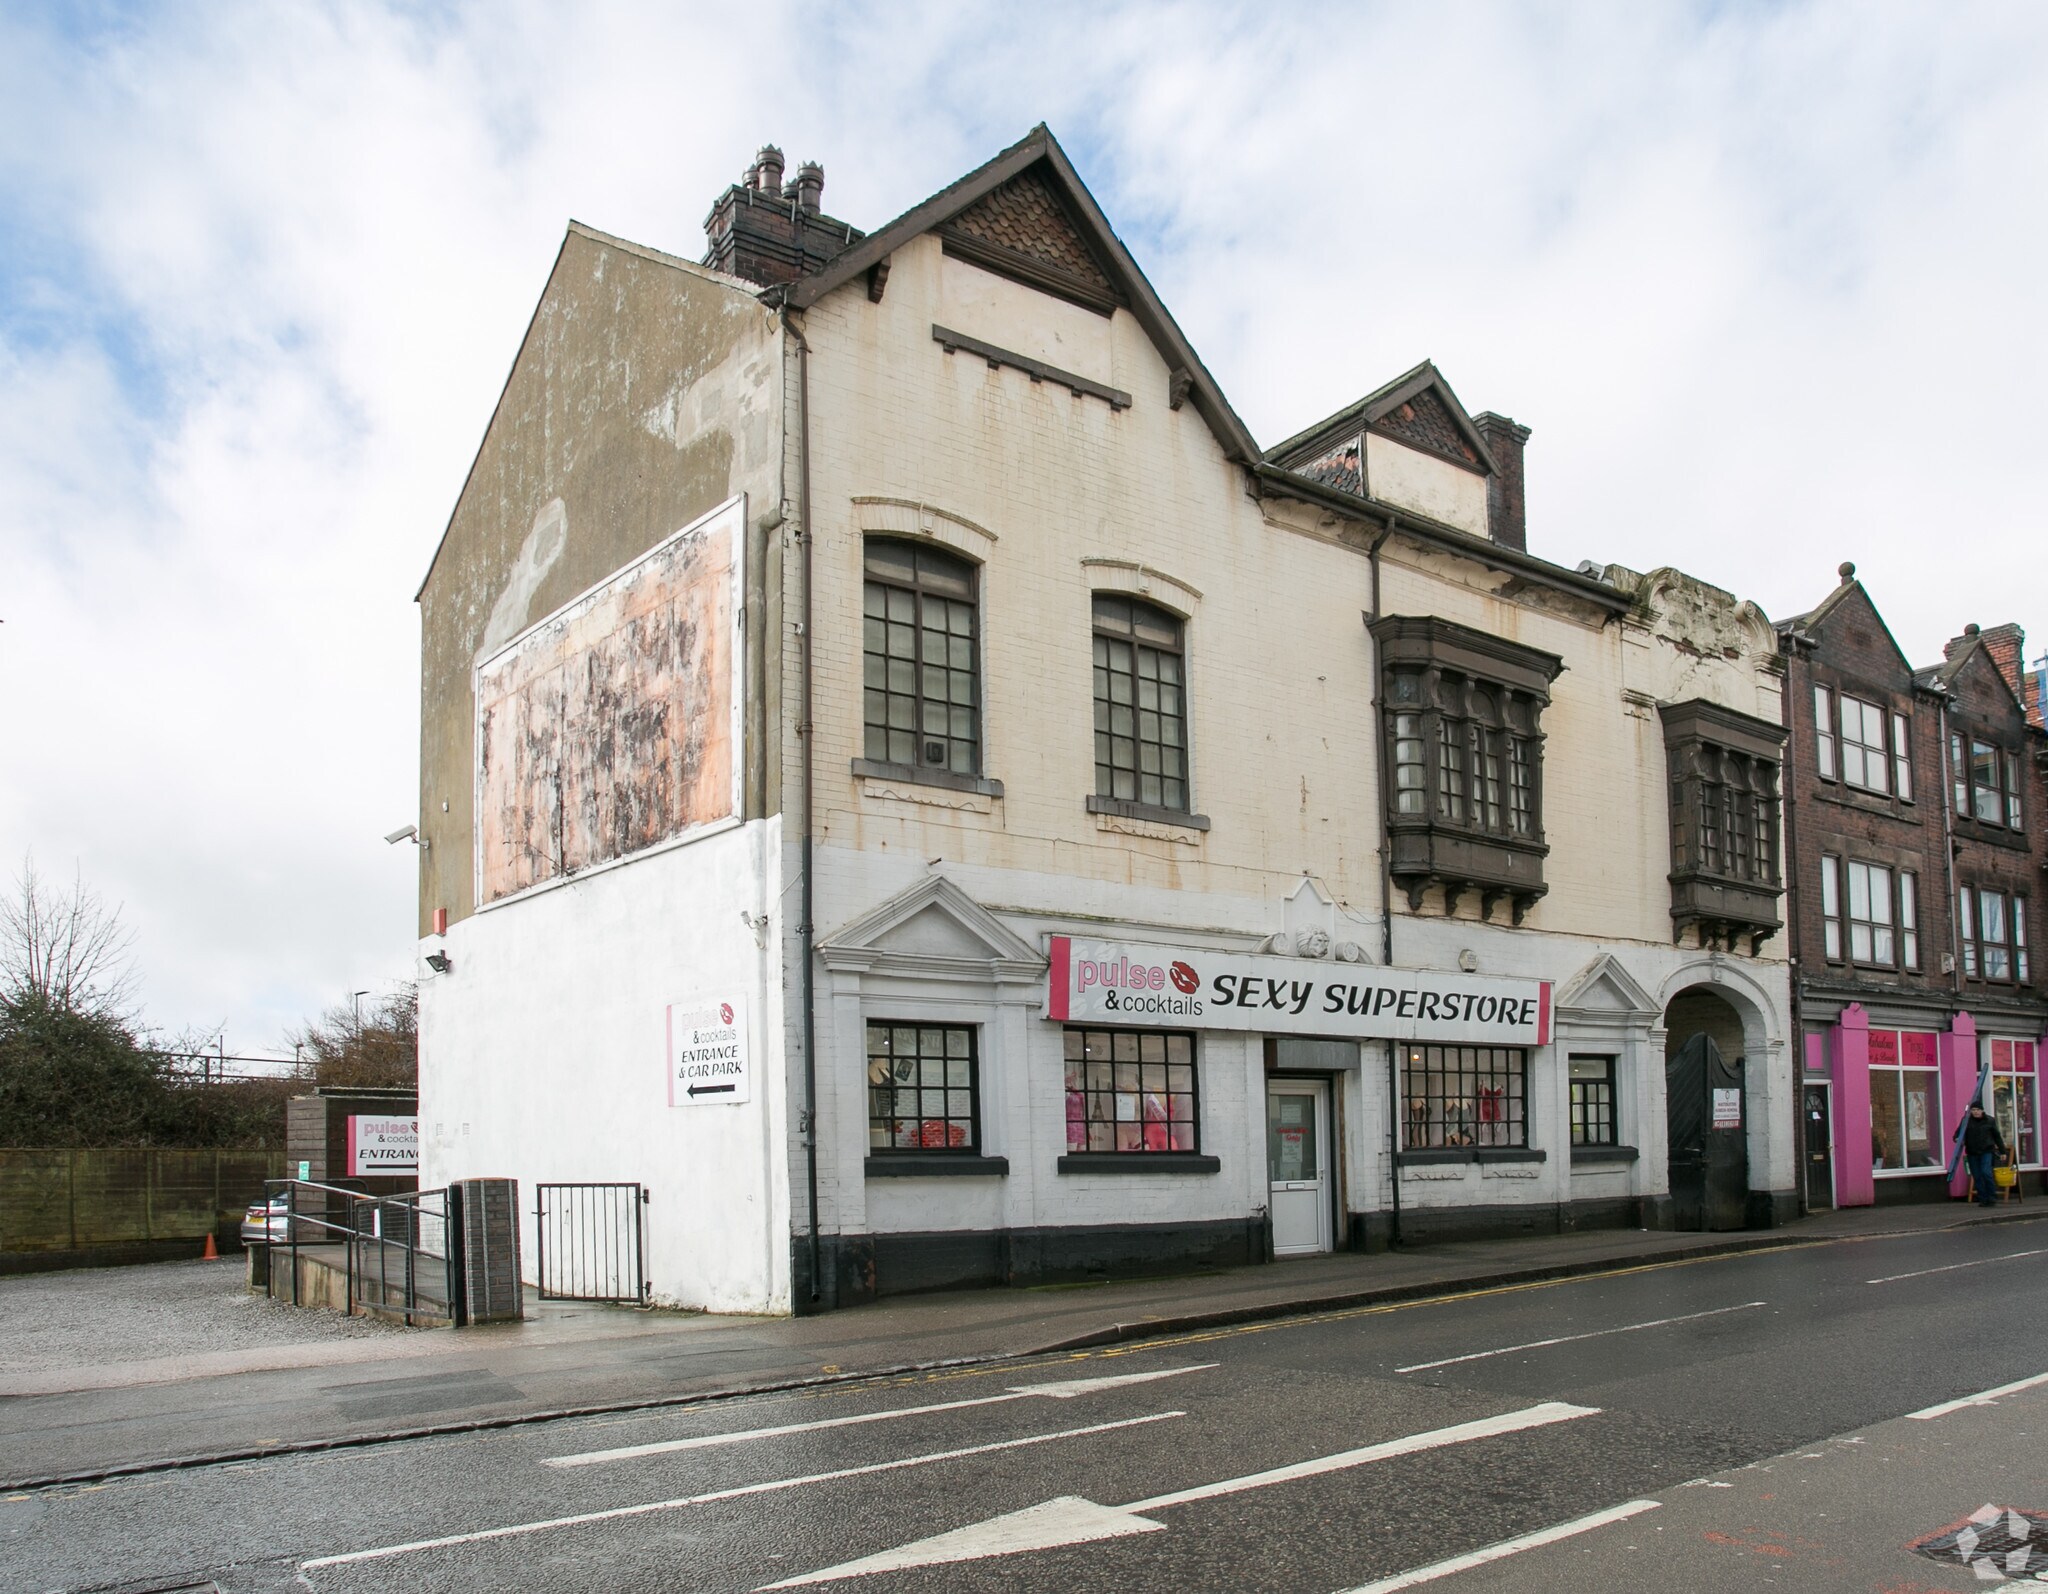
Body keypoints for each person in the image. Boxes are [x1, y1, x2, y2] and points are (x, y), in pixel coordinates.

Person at [1961, 1100, 2008, 1208]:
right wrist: (1957, 1138)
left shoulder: (1989, 1120)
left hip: (1986, 1151)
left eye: (1977, 1110)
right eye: (1973, 1110)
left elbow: (1997, 1136)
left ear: (1982, 1110)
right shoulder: (1966, 1121)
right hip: (1972, 1152)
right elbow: (1959, 1133)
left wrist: (2002, 1151)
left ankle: (1991, 1196)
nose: (1975, 1112)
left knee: (1986, 1172)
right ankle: (1983, 1198)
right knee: (1977, 1176)